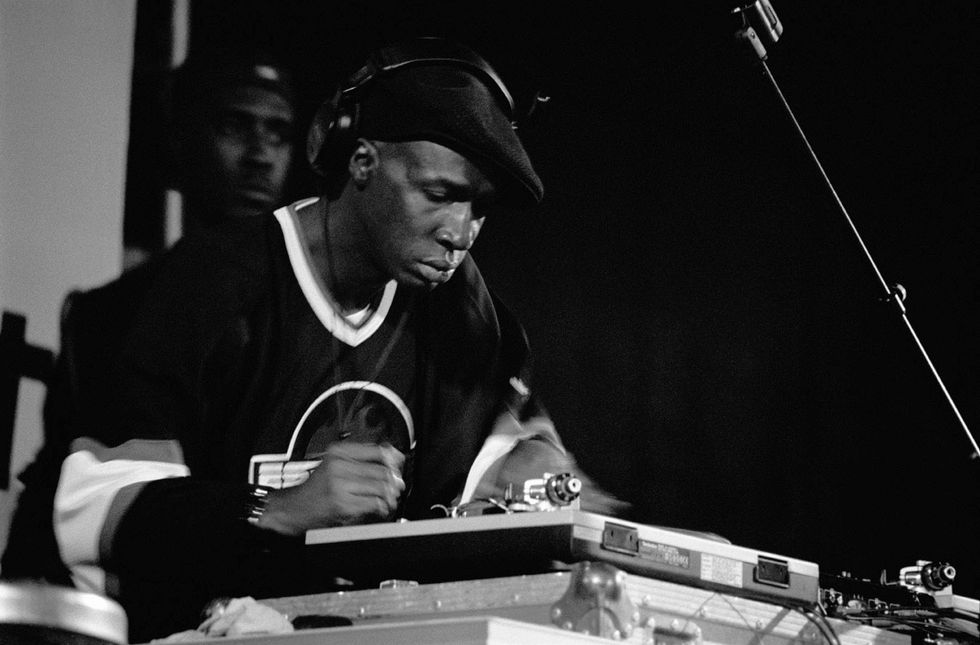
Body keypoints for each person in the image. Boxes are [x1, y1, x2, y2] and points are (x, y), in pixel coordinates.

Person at [48, 37, 624, 642]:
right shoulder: (208, 286)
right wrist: (277, 507)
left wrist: (542, 484)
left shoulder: (464, 313)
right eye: (439, 195)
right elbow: (92, 510)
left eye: (479, 208)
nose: (460, 232)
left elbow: (504, 472)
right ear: (362, 162)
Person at [0, 53, 298, 587]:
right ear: (180, 142)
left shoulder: (314, 307)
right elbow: (64, 485)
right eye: (235, 127)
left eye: (277, 133)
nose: (260, 155)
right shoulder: (106, 313)